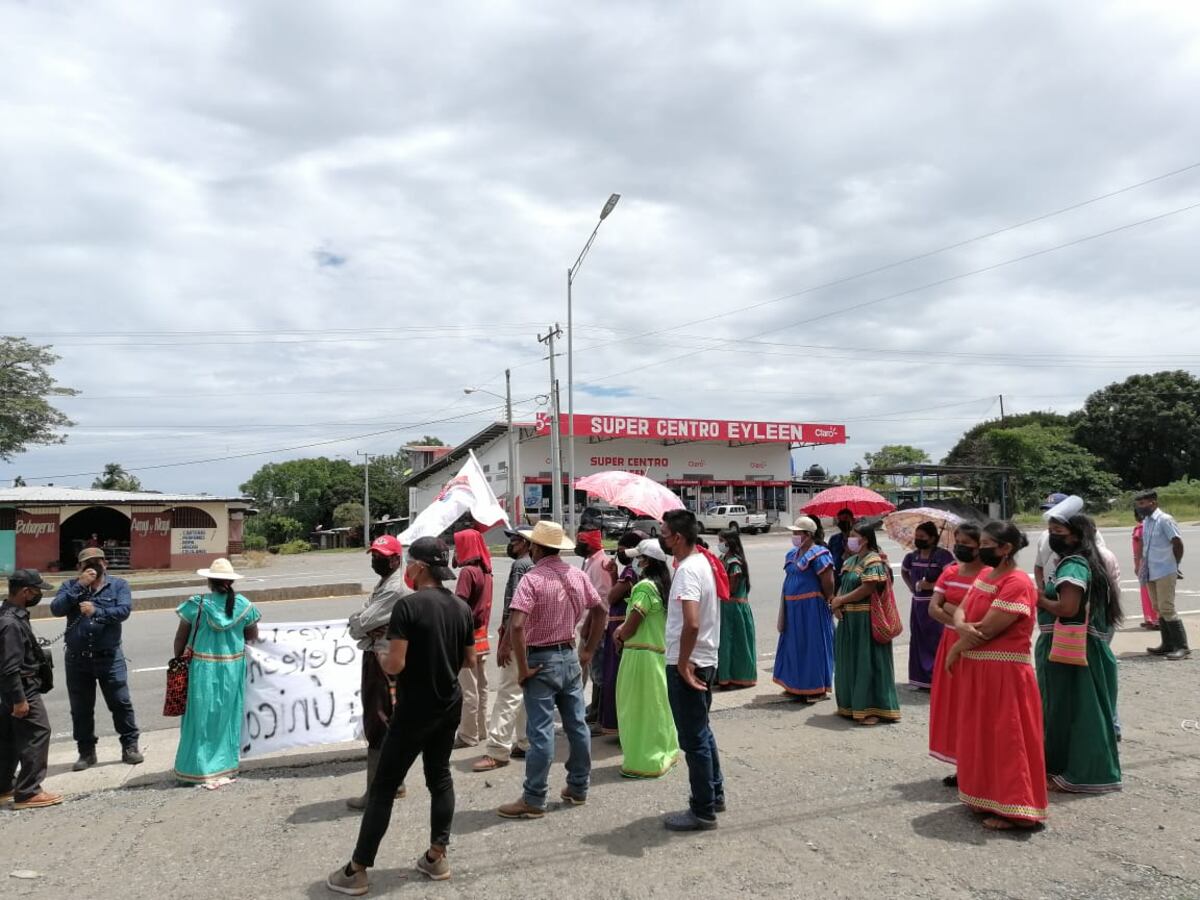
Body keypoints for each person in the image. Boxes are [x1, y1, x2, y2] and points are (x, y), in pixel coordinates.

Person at [327, 537, 476, 893]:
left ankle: (357, 869)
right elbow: (470, 660)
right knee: (439, 778)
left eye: (410, 563)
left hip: (414, 710)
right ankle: (436, 856)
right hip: (449, 704)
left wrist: (381, 659)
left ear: (420, 567)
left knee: (383, 788)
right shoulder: (460, 607)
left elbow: (396, 664)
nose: (407, 568)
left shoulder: (408, 608)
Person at [497, 521, 605, 820]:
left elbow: (517, 625)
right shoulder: (577, 574)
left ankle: (534, 798)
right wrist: (588, 650)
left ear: (537, 547)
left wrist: (523, 666)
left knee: (541, 732)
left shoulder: (532, 579)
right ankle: (578, 787)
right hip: (569, 655)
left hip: (540, 659)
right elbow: (600, 610)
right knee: (577, 726)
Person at [945, 521, 1046, 831]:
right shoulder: (988, 575)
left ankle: (1017, 808)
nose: (981, 549)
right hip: (980, 670)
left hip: (1005, 672)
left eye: (988, 544)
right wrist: (961, 626)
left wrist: (956, 647)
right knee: (982, 735)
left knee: (1007, 737)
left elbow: (988, 628)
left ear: (1006, 549)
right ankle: (986, 797)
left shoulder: (1018, 582)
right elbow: (961, 609)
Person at [1037, 513, 1123, 793]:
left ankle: (1082, 774)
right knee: (1081, 709)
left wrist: (1036, 596)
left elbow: (1068, 609)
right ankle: (1069, 769)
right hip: (1084, 648)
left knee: (1074, 710)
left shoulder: (1073, 565)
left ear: (1075, 535)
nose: (1052, 535)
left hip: (1069, 649)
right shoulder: (1088, 561)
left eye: (1057, 530)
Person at [661, 509, 725, 832]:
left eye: (665, 533)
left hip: (691, 662)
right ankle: (714, 794)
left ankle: (702, 809)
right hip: (705, 658)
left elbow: (692, 622)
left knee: (694, 738)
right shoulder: (701, 564)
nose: (662, 538)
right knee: (703, 730)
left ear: (678, 538)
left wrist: (684, 664)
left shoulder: (688, 571)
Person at [50, 547, 143, 769]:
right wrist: (79, 586)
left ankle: (130, 746)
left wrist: (97, 611)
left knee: (121, 703)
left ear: (105, 563)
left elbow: (124, 611)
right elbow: (56, 609)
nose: (93, 566)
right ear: (79, 567)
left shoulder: (119, 585)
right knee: (81, 708)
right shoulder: (70, 587)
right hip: (77, 660)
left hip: (109, 657)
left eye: (97, 561)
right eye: (87, 563)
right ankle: (86, 752)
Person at [172, 558, 261, 784]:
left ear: (209, 582)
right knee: (226, 717)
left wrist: (179, 659)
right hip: (232, 668)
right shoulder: (245, 606)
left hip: (202, 667)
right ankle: (224, 766)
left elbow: (180, 638)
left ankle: (195, 769)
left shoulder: (196, 604)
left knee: (199, 719)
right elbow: (253, 636)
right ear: (231, 581)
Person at [346, 535, 410, 807]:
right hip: (380, 654)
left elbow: (360, 625)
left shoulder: (394, 589)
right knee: (388, 719)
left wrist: (362, 623)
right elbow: (357, 623)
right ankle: (394, 783)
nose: (376, 561)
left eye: (380, 557)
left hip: (382, 659)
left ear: (396, 559)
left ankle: (376, 792)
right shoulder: (385, 584)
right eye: (374, 556)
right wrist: (361, 623)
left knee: (379, 721)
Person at [612, 539, 680, 778]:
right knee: (657, 707)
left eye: (639, 558)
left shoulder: (644, 588)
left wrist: (619, 633)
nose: (636, 562)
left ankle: (644, 760)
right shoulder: (662, 587)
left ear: (647, 561)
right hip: (656, 655)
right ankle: (664, 752)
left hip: (639, 657)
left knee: (636, 709)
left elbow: (631, 627)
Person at [926, 523, 988, 783]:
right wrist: (960, 616)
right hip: (951, 641)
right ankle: (961, 763)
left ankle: (978, 765)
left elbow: (984, 616)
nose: (960, 547)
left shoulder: (989, 575)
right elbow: (933, 608)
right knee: (953, 706)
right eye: (957, 541)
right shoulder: (949, 572)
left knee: (975, 707)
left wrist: (952, 609)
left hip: (977, 646)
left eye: (966, 543)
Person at [473, 527, 535, 772]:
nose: (512, 545)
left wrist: (506, 642)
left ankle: (498, 749)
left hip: (517, 636)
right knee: (522, 691)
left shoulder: (521, 566)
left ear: (527, 544)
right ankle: (525, 741)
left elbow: (516, 607)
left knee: (508, 691)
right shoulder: (535, 564)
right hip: (532, 638)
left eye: (516, 541)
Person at [0, 569, 62, 810]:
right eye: (37, 591)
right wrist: (19, 700)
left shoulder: (10, 615)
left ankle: (4, 785)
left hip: (13, 690)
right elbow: (9, 667)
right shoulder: (10, 623)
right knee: (38, 733)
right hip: (22, 690)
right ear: (26, 592)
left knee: (8, 737)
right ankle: (28, 792)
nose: (39, 595)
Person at [831, 520, 901, 725]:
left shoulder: (873, 561)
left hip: (865, 620)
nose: (849, 539)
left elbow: (867, 588)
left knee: (867, 662)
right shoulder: (850, 561)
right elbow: (842, 585)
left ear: (865, 539)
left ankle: (872, 708)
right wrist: (836, 604)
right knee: (848, 662)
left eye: (853, 535)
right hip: (848, 619)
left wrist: (841, 600)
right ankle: (850, 705)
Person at [773, 516, 835, 703]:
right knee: (794, 645)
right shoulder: (793, 553)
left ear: (808, 535)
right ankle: (796, 686)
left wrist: (828, 599)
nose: (794, 536)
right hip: (793, 607)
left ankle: (815, 688)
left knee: (812, 646)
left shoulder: (820, 553)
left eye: (797, 533)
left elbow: (828, 581)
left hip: (811, 608)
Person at [596, 530, 647, 735]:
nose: (620, 553)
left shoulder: (630, 573)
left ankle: (616, 724)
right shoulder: (636, 571)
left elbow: (612, 596)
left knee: (615, 676)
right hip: (626, 626)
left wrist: (613, 577)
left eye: (622, 549)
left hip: (620, 628)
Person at [452, 528, 494, 748]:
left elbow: (459, 605)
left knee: (468, 688)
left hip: (467, 639)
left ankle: (468, 734)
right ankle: (481, 729)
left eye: (458, 545)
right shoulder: (486, 570)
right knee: (481, 686)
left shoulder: (468, 572)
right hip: (482, 637)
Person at [901, 522, 955, 690]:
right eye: (917, 537)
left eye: (922, 537)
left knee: (936, 640)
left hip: (936, 605)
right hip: (917, 606)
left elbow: (952, 577)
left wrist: (931, 587)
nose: (918, 540)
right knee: (918, 641)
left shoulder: (942, 556)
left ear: (933, 538)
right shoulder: (912, 556)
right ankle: (921, 679)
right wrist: (912, 586)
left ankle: (938, 678)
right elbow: (904, 571)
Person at [1137, 490, 1189, 660]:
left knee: (1167, 608)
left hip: (1166, 569)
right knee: (1158, 608)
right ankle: (1167, 644)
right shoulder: (1146, 521)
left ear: (1153, 503)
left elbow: (1177, 543)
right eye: (1139, 504)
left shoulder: (1165, 520)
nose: (1141, 507)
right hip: (1151, 570)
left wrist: (1175, 564)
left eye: (1143, 503)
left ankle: (1182, 647)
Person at [576, 527, 616, 726]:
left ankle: (599, 714)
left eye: (580, 541)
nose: (577, 545)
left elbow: (601, 601)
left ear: (589, 543)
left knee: (598, 672)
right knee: (592, 671)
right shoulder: (589, 561)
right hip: (587, 623)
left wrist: (591, 628)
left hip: (598, 626)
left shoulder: (600, 564)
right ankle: (594, 708)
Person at [716, 529, 757, 689]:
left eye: (721, 541)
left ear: (729, 542)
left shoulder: (734, 563)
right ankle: (725, 676)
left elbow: (730, 588)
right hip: (726, 607)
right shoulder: (723, 558)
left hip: (734, 608)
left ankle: (736, 677)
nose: (719, 544)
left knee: (735, 643)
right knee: (725, 643)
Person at [1132, 511, 1159, 630]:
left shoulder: (1139, 529)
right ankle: (1154, 618)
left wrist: (1137, 565)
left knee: (1146, 592)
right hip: (1155, 562)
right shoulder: (1152, 527)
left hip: (1145, 564)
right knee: (1154, 592)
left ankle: (1152, 619)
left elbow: (1138, 550)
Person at [826, 508, 855, 582]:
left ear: (852, 520)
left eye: (845, 519)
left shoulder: (857, 538)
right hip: (836, 576)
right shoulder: (834, 539)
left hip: (852, 577)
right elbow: (828, 558)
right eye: (839, 520)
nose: (842, 522)